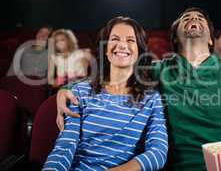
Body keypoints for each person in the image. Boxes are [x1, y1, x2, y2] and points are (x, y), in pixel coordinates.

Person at [56, 8, 221, 171]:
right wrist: (66, 89)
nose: (193, 18)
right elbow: (109, 77)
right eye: (186, 18)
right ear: (174, 38)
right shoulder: (157, 70)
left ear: (211, 39)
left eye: (199, 18)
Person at [43, 17, 168, 171]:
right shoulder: (80, 92)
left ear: (139, 52)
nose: (122, 45)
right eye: (115, 39)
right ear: (106, 51)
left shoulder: (151, 98)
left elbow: (158, 152)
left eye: (130, 40)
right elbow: (64, 148)